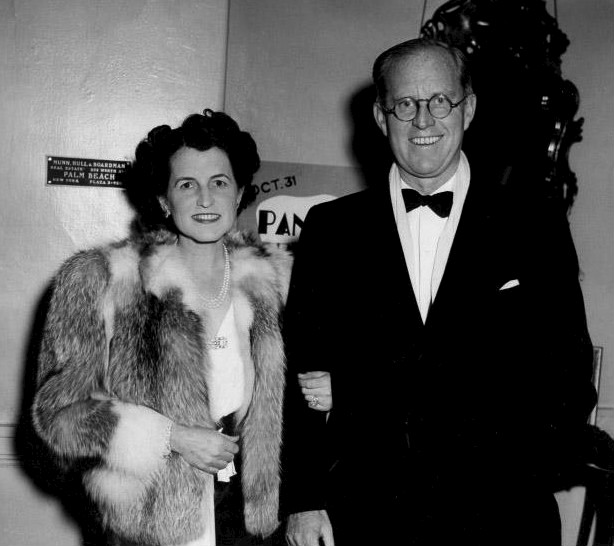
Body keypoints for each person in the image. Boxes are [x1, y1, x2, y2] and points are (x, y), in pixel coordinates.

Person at [281, 38, 596, 546]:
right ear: (381, 117)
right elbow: (298, 383)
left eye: (440, 101)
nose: (423, 120)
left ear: (467, 108)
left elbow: (568, 382)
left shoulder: (534, 223)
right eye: (405, 104)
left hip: (500, 516)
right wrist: (303, 501)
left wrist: (361, 392)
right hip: (363, 519)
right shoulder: (331, 229)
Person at [32, 110, 291, 546]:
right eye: (187, 185)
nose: (205, 199)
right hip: (149, 522)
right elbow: (57, 416)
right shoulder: (102, 279)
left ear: (241, 192)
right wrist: (171, 437)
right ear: (164, 200)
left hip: (247, 525)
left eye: (220, 183)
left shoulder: (275, 283)